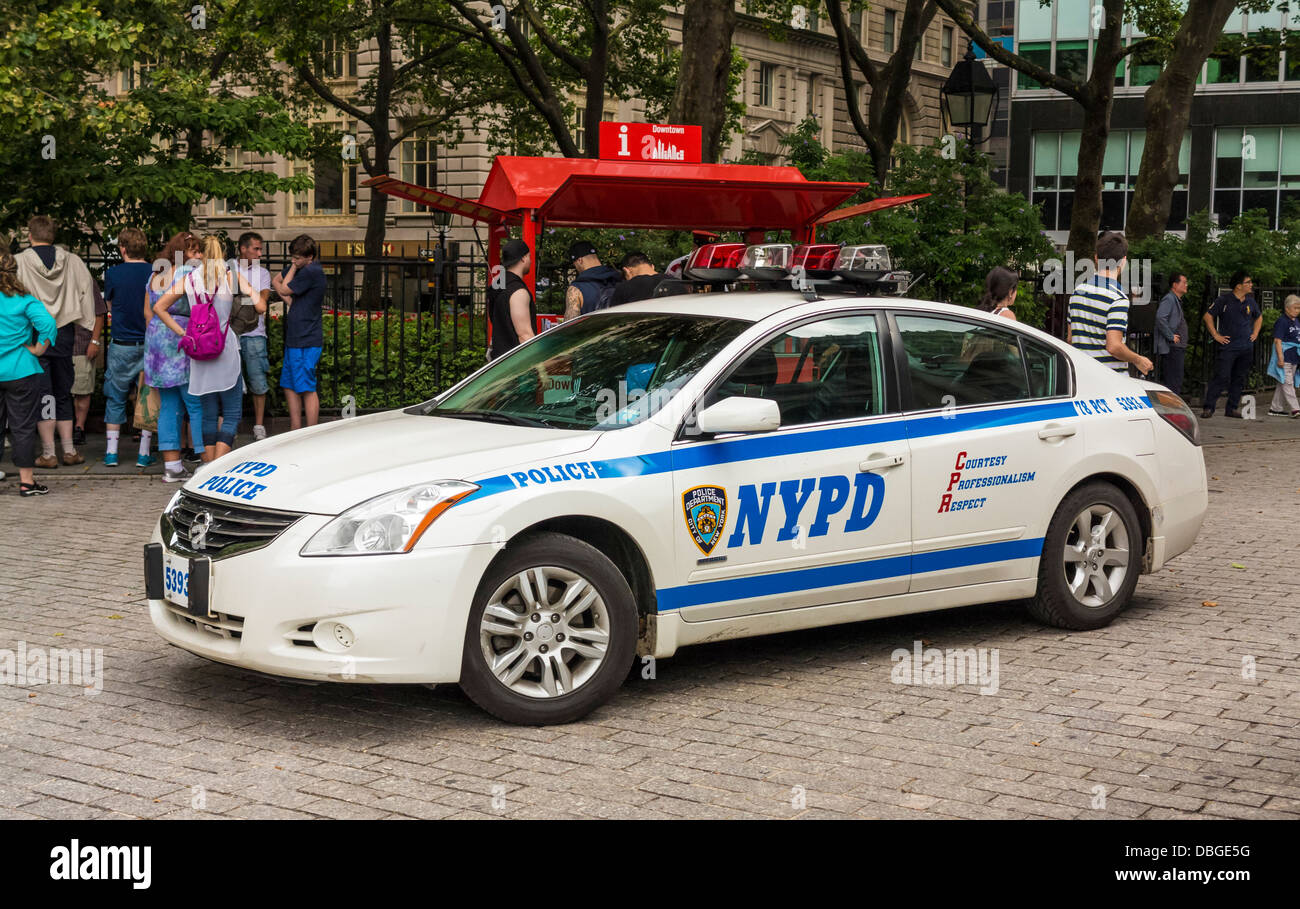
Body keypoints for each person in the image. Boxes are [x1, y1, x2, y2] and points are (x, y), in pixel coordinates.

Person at [153, 234, 255, 461]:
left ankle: (207, 468)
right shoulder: (231, 276)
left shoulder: (188, 279)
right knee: (231, 413)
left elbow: (159, 307)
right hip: (225, 347)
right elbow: (259, 304)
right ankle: (218, 465)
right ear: (223, 254)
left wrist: (183, 333)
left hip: (199, 349)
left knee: (208, 414)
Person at [14, 215, 98, 467]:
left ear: (30, 235)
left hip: (33, 333)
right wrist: (86, 323)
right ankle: (70, 450)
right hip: (63, 334)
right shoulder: (72, 261)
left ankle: (49, 453)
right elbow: (87, 293)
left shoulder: (19, 262)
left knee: (43, 394)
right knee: (63, 392)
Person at [144, 232, 206, 481]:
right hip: (181, 337)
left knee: (169, 406)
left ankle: (172, 466)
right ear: (182, 252)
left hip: (156, 342)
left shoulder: (155, 274)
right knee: (195, 403)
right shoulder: (187, 274)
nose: (199, 256)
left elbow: (148, 311)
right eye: (194, 251)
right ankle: (204, 459)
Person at [0, 247, 59, 496]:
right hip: (21, 370)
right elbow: (47, 323)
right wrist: (39, 348)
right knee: (22, 426)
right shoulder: (24, 299)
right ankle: (26, 483)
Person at [101, 227, 157, 467]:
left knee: (115, 396)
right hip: (149, 343)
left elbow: (109, 303)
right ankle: (144, 454)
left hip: (121, 343)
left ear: (122, 249)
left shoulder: (113, 273)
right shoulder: (156, 272)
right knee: (148, 397)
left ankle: (111, 452)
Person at [1067, 231, 1153, 378]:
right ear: (1123, 262)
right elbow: (1114, 346)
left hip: (1080, 377)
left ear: (1095, 258)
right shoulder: (1117, 298)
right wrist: (1138, 360)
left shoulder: (1077, 292)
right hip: (1109, 380)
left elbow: (1070, 338)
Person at [271, 234, 325, 431]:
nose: (293, 261)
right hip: (296, 337)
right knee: (289, 383)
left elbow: (284, 288)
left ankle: (309, 432)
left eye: (297, 258)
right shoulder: (303, 268)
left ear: (309, 257)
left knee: (306, 387)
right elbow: (276, 280)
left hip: (306, 338)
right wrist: (292, 304)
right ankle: (295, 429)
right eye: (292, 257)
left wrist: (293, 268)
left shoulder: (311, 271)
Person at [1201, 270, 1262, 419]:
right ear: (1238, 286)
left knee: (1239, 377)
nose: (1251, 285)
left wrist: (1255, 333)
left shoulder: (1250, 301)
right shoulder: (1224, 300)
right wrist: (1216, 335)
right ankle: (1209, 407)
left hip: (1246, 347)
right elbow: (1208, 316)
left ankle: (1232, 408)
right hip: (1229, 346)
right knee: (1222, 376)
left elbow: (1259, 317)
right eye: (1248, 282)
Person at [233, 231, 272, 441]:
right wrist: (251, 296)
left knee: (258, 381)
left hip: (256, 333)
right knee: (232, 382)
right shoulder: (229, 267)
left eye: (260, 249)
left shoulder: (263, 273)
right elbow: (227, 300)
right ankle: (233, 424)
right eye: (256, 249)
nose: (259, 253)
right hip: (231, 333)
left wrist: (242, 300)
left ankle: (258, 425)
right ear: (243, 249)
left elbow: (261, 304)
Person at [488, 238, 536, 360]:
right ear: (523, 258)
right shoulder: (518, 291)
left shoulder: (498, 286)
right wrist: (542, 365)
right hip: (517, 365)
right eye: (529, 257)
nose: (530, 261)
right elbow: (525, 335)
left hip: (500, 361)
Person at [72, 284, 107, 448]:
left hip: (82, 344)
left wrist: (94, 341)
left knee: (83, 390)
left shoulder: (87, 281)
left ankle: (79, 427)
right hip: (57, 345)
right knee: (61, 392)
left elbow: (100, 313)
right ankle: (67, 428)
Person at [562, 239, 622, 319]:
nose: (576, 267)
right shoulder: (619, 278)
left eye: (574, 264)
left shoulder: (576, 289)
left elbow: (569, 325)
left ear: (580, 261)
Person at [1154, 272, 1190, 395]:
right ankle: (1173, 412)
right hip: (1172, 347)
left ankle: (1174, 410)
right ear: (1175, 285)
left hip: (1177, 347)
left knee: (1176, 379)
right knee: (1173, 381)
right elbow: (1160, 318)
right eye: (1184, 282)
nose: (1186, 285)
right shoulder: (1169, 299)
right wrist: (1170, 336)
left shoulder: (1176, 300)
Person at [1266, 294, 1300, 418]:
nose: (1297, 311)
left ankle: (1275, 408)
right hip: (1285, 357)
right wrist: (1280, 358)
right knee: (1288, 383)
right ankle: (1296, 408)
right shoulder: (1282, 321)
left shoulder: (1296, 321)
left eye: (1299, 308)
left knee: (1283, 383)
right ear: (1287, 308)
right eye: (1295, 308)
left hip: (1294, 357)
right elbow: (1278, 341)